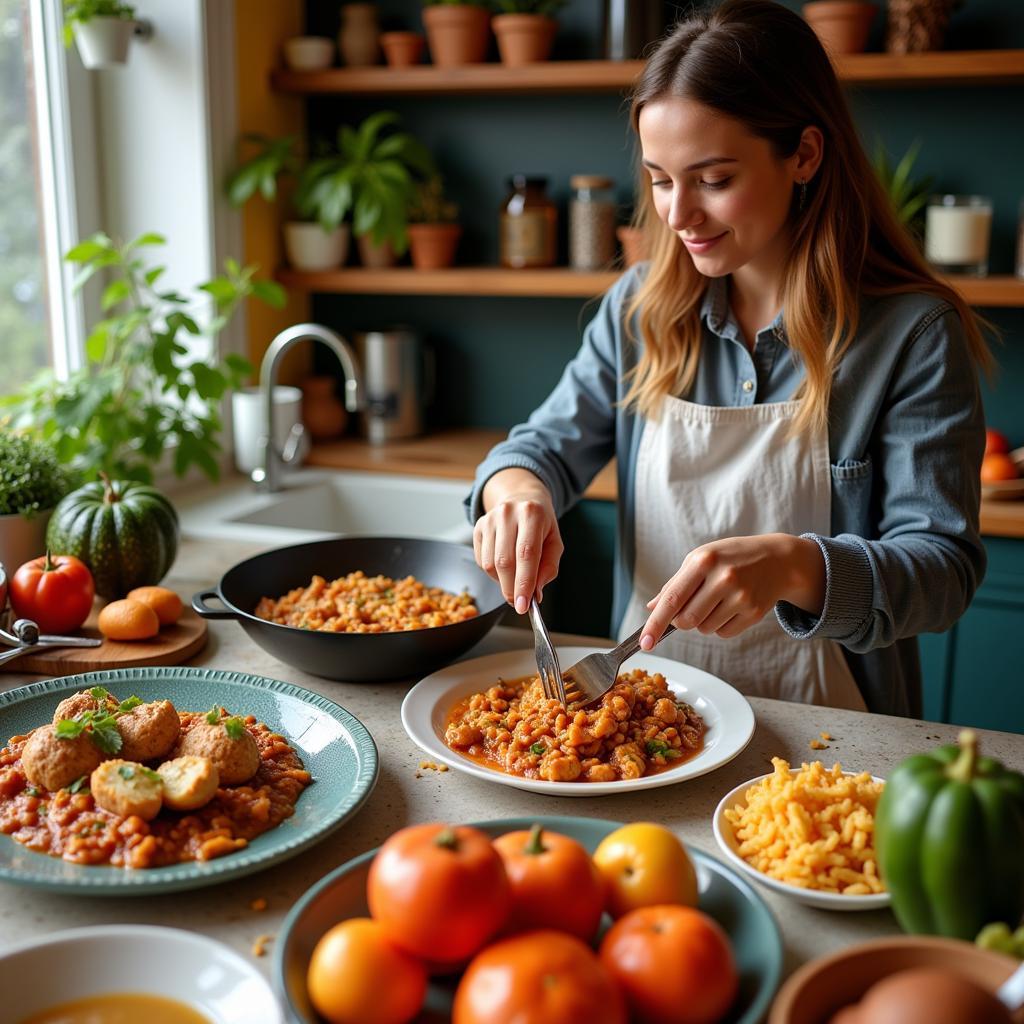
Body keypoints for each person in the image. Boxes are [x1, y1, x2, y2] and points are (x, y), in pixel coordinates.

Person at [466, 0, 991, 716]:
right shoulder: (637, 308)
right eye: (659, 178)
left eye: (713, 179)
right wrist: (517, 493)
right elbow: (541, 449)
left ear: (804, 154)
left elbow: (943, 570)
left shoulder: (911, 334)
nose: (678, 215)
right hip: (643, 718)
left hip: (828, 743)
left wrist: (794, 565)